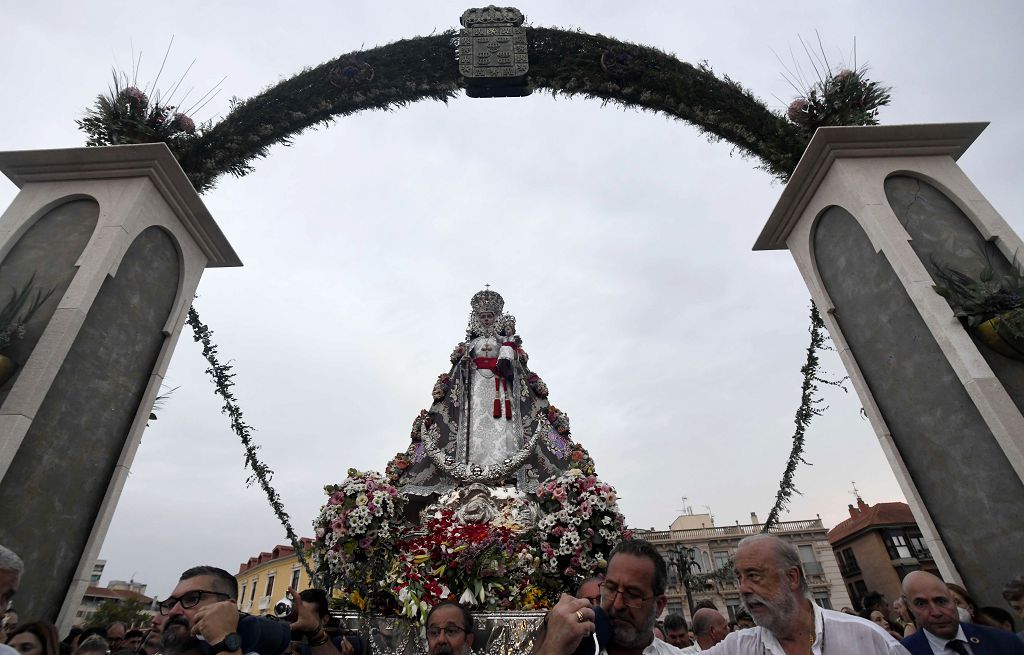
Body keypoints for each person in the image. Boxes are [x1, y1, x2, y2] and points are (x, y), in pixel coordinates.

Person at [398, 289, 576, 500]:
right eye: (482, 316)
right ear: (477, 318)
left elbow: (517, 367)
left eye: (490, 316)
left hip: (500, 388)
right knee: (474, 427)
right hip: (474, 391)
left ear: (496, 317)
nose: (486, 319)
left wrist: (509, 360)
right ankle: (472, 469)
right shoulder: (470, 345)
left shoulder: (506, 342)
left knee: (503, 425)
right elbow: (459, 372)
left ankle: (506, 472)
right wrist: (464, 366)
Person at [702, 534, 908, 654]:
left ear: (792, 577)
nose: (743, 588)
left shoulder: (867, 638)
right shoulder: (738, 647)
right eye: (739, 578)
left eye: (754, 576)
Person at [537, 539, 684, 655]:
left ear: (659, 605)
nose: (617, 604)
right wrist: (551, 649)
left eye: (632, 594)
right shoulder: (568, 648)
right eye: (611, 588)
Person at [900, 571, 1024, 655]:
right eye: (921, 604)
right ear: (910, 608)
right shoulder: (902, 652)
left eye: (941, 601)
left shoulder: (1003, 641)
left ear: (953, 602)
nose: (936, 612)